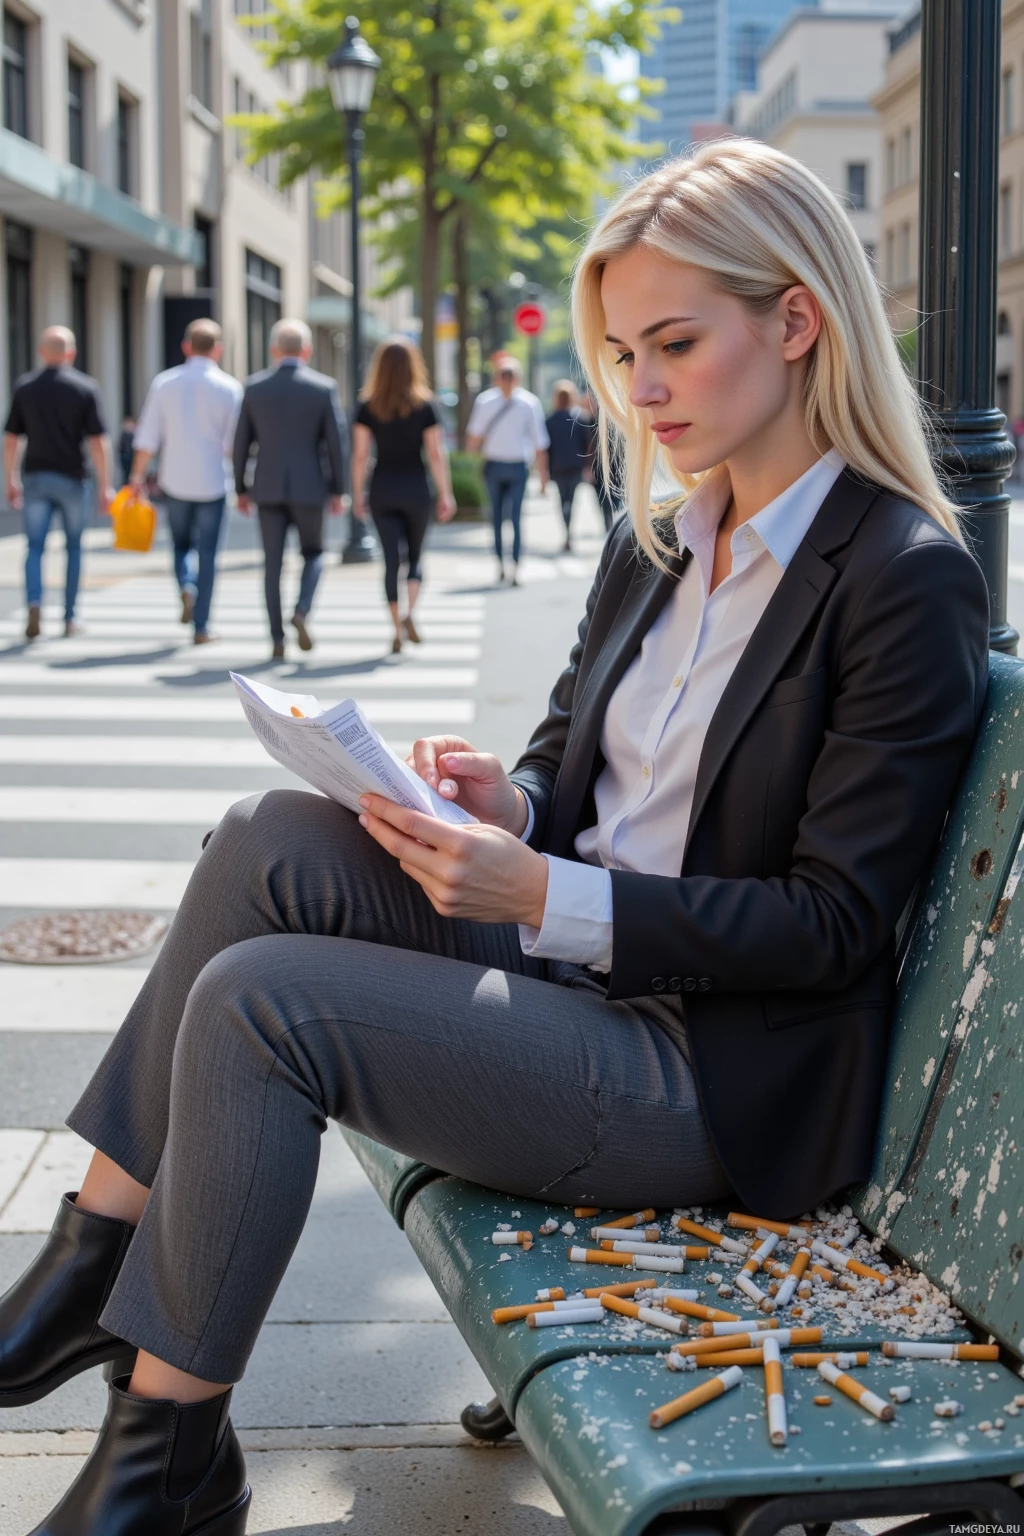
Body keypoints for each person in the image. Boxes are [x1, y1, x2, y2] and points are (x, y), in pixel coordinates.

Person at [1, 140, 989, 1535]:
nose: (639, 391)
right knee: (266, 835)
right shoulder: (657, 533)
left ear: (797, 320)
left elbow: (831, 925)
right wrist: (508, 806)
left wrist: (549, 891)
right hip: (568, 974)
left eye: (673, 345)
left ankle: (166, 1449)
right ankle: (90, 1257)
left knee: (263, 1004)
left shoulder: (899, 580)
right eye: (619, 352)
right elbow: (574, 754)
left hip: (703, 1071)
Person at [232, 319, 347, 659]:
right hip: (310, 487)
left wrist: (241, 487)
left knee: (272, 564)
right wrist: (339, 489)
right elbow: (335, 444)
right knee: (314, 554)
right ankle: (301, 610)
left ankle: (277, 639)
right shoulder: (323, 388)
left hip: (267, 488)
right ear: (307, 351)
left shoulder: (254, 387)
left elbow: (241, 444)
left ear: (274, 350)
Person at [131, 319, 242, 644]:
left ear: (186, 346)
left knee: (181, 545)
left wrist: (137, 476)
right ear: (218, 349)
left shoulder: (165, 383)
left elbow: (147, 437)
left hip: (174, 479)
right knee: (208, 553)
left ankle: (185, 585)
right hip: (212, 481)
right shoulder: (230, 388)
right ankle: (202, 625)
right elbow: (234, 444)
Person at [3, 325, 113, 640]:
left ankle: (34, 604)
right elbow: (97, 442)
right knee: (74, 547)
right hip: (73, 478)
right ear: (71, 353)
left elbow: (11, 438)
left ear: (42, 352)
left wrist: (10, 478)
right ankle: (70, 616)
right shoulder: (85, 387)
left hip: (36, 476)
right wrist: (105, 485)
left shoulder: (25, 387)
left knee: (34, 547)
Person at [351, 337, 456, 654]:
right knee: (414, 557)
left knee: (390, 561)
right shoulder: (426, 405)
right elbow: (436, 454)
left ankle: (396, 627)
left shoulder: (367, 406)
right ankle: (411, 613)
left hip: (383, 487)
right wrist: (446, 493)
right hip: (416, 488)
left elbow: (359, 455)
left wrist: (357, 493)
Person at [466, 356, 550, 584]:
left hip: (517, 466)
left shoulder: (528, 403)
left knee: (515, 517)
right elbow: (473, 436)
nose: (507, 380)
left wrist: (543, 476)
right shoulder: (485, 401)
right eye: (503, 374)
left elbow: (539, 442)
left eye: (510, 375)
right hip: (493, 465)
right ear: (496, 377)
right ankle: (500, 563)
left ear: (518, 378)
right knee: (495, 516)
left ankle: (514, 564)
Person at [544, 379, 590, 551]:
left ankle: (566, 532)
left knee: (562, 500)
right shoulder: (580, 419)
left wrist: (544, 470)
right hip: (575, 466)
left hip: (557, 467)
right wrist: (587, 467)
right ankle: (569, 532)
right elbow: (587, 445)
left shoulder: (549, 420)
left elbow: (546, 447)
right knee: (572, 500)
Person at [581, 387, 619, 532]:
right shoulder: (586, 421)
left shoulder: (612, 421)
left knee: (615, 498)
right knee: (601, 498)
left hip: (614, 466)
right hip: (596, 468)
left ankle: (614, 524)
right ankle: (608, 525)